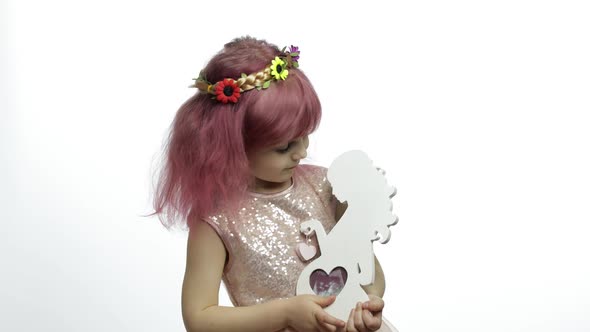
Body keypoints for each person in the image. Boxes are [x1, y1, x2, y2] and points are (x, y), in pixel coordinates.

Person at [151, 36, 395, 332]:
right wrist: (284, 314)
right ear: (233, 147)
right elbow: (199, 318)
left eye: (305, 136)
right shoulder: (216, 221)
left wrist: (367, 304)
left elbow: (366, 269)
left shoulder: (326, 187)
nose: (302, 152)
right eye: (284, 147)